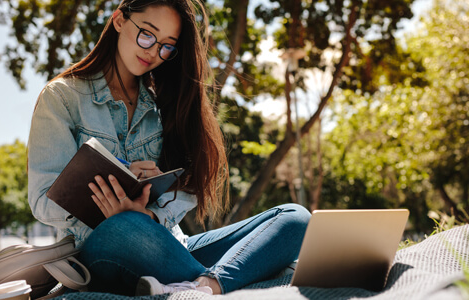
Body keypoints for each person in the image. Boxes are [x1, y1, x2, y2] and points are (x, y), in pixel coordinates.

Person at [27, 0, 311, 296]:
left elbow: (183, 190)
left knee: (295, 218)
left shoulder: (163, 104)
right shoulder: (62, 97)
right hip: (103, 246)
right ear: (119, 20)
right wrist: (117, 201)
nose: (153, 52)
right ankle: (223, 281)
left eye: (166, 46)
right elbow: (42, 199)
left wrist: (148, 216)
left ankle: (206, 286)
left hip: (170, 245)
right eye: (147, 34)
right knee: (123, 226)